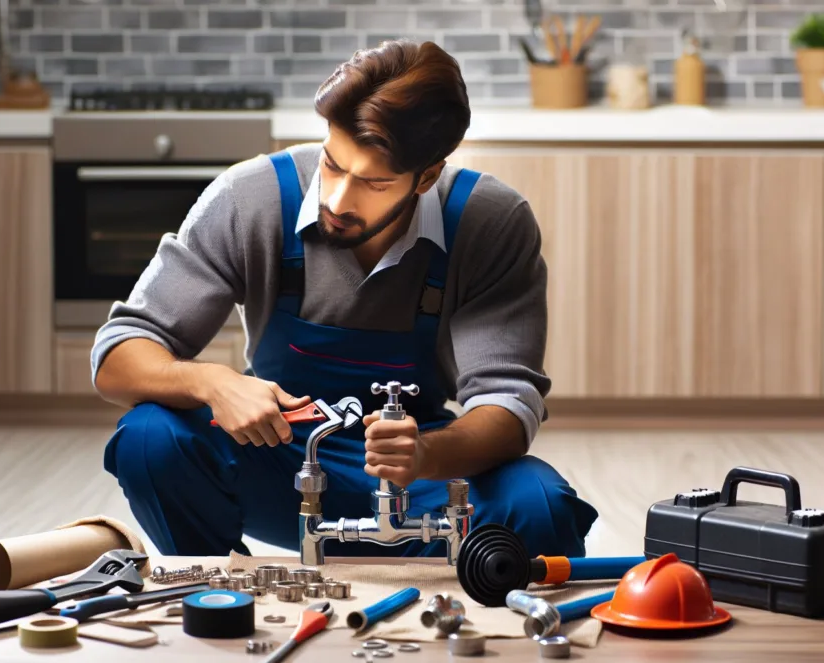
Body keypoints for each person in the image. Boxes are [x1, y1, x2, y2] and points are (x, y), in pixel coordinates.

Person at [92, 39, 599, 559]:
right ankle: (222, 590)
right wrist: (209, 381)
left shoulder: (490, 221)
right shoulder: (250, 199)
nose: (336, 200)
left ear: (426, 176)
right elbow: (118, 356)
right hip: (277, 462)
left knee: (540, 505)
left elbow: (508, 403)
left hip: (418, 475)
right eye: (333, 165)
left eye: (374, 183)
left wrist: (423, 454)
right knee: (149, 438)